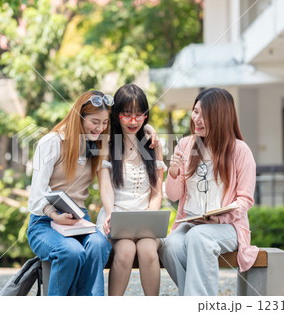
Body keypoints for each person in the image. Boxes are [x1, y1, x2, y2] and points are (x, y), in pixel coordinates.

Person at [158, 87, 259, 296]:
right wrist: (174, 173)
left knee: (199, 237)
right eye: (195, 112)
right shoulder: (186, 145)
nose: (197, 119)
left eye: (205, 116)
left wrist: (220, 218)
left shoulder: (240, 150)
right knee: (170, 245)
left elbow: (245, 200)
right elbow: (174, 195)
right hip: (191, 224)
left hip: (228, 227)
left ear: (221, 117)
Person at [26, 90, 113, 296]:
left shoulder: (98, 143)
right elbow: (36, 194)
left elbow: (106, 183)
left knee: (99, 244)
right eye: (94, 122)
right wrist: (56, 216)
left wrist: (149, 129)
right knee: (71, 251)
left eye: (104, 122)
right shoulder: (52, 142)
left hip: (78, 221)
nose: (100, 128)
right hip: (44, 222)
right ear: (80, 117)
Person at [97, 84, 166, 296]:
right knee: (125, 250)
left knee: (147, 249)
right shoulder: (107, 144)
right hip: (114, 215)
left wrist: (150, 218)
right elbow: (105, 186)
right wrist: (110, 214)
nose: (133, 121)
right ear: (117, 115)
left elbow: (157, 192)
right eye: (127, 115)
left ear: (146, 116)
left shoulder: (154, 145)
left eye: (139, 115)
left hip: (147, 216)